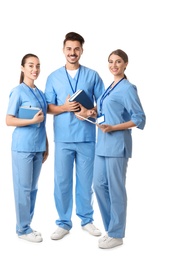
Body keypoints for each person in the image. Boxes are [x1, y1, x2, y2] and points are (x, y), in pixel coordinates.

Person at [44, 32, 105, 240]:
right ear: (63, 50)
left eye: (76, 49)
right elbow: (48, 107)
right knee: (61, 181)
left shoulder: (93, 75)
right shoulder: (53, 77)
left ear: (82, 51)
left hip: (87, 136)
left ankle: (86, 220)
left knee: (86, 181)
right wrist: (64, 107)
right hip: (63, 138)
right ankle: (63, 223)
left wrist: (89, 112)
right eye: (69, 48)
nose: (72, 52)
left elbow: (102, 105)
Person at [91, 49, 146, 249]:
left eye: (118, 61)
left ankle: (117, 233)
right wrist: (94, 111)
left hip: (116, 145)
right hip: (102, 144)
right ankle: (111, 229)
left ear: (125, 64)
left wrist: (114, 127)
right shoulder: (110, 87)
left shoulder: (128, 88)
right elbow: (108, 111)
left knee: (116, 190)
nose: (114, 65)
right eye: (111, 61)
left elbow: (139, 118)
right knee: (98, 185)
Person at [6, 53, 48, 243]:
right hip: (22, 147)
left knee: (33, 188)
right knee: (22, 188)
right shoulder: (18, 91)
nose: (35, 69)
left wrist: (46, 144)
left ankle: (27, 225)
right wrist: (31, 120)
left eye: (38, 66)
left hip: (38, 146)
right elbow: (9, 119)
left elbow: (43, 121)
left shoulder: (40, 93)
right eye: (31, 65)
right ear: (22, 68)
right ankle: (22, 229)